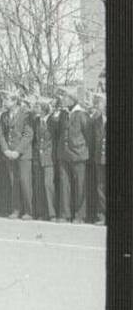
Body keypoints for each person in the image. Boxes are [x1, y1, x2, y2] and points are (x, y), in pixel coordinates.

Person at [0, 90, 34, 219]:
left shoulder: (26, 115)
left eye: (6, 100)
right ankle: (16, 209)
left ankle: (28, 211)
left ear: (14, 101)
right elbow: (1, 134)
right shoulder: (4, 115)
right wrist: (6, 150)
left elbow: (28, 135)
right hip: (9, 153)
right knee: (14, 182)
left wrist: (17, 151)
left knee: (25, 182)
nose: (4, 102)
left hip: (23, 154)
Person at [58, 87, 90, 223]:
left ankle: (79, 215)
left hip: (78, 155)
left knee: (80, 186)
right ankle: (65, 214)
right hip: (64, 155)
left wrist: (82, 149)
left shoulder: (81, 114)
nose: (63, 100)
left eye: (65, 97)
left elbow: (88, 135)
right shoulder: (64, 114)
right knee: (65, 185)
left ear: (72, 99)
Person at [33, 99, 58, 221]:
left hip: (49, 158)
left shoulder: (53, 121)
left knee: (48, 185)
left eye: (37, 107)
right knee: (39, 186)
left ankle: (52, 213)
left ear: (43, 109)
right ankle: (42, 212)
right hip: (38, 158)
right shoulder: (37, 121)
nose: (35, 109)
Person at [89, 91, 106, 224]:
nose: (96, 105)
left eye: (99, 102)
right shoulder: (96, 120)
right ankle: (102, 216)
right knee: (100, 188)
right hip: (100, 158)